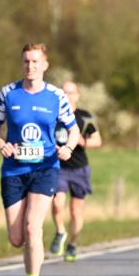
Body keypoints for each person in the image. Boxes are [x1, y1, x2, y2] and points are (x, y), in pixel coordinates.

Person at [0, 43, 79, 276]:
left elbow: (72, 129)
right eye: (27, 61)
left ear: (45, 65)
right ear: (22, 64)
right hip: (14, 171)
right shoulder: (8, 93)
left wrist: (68, 148)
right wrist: (0, 142)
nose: (31, 66)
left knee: (32, 227)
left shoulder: (56, 96)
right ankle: (31, 262)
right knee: (17, 238)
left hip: (45, 169)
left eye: (36, 61)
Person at [50, 81, 102, 262]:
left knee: (75, 210)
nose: (67, 95)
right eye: (64, 92)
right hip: (58, 167)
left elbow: (98, 141)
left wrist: (83, 141)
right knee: (57, 203)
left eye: (71, 92)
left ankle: (72, 243)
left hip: (79, 168)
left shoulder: (84, 117)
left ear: (77, 95)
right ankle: (60, 232)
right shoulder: (53, 115)